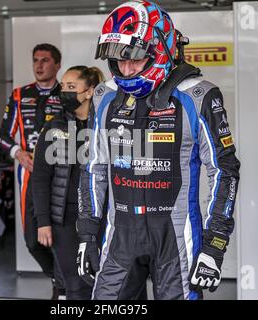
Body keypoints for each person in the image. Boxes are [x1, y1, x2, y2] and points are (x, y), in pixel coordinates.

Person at [76, 0, 240, 300]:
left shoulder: (198, 95)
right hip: (119, 236)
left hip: (176, 238)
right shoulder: (104, 97)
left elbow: (225, 171)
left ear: (159, 50)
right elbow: (93, 169)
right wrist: (87, 234)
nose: (126, 69)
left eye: (135, 59)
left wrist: (215, 244)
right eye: (118, 60)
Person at [0, 43, 65, 298]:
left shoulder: (68, 93)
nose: (39, 65)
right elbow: (2, 136)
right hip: (30, 176)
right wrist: (19, 153)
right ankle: (58, 277)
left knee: (61, 234)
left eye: (45, 60)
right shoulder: (19, 94)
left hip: (62, 175)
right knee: (32, 241)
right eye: (36, 60)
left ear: (57, 64)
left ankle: (62, 283)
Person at [32, 66, 104, 300]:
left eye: (71, 87)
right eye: (63, 87)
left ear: (89, 91)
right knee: (76, 286)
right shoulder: (53, 126)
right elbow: (41, 178)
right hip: (64, 220)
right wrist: (43, 222)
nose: (64, 92)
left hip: (101, 218)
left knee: (107, 283)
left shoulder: (106, 124)